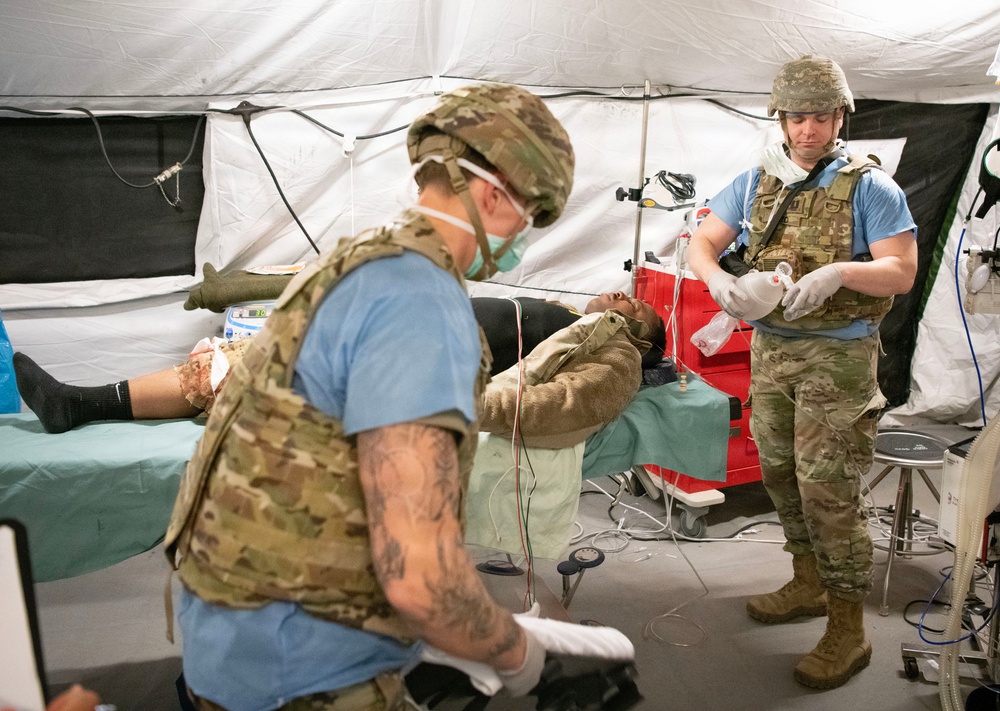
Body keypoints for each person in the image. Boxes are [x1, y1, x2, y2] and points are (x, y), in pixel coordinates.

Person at [158, 82, 576, 711]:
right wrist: (518, 653)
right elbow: (422, 578)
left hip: (231, 641)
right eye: (532, 216)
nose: (525, 236)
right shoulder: (420, 304)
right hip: (302, 674)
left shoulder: (357, 262)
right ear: (494, 194)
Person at [686, 56, 917, 690]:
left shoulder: (871, 188)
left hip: (837, 357)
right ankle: (808, 582)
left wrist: (841, 271)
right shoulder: (759, 180)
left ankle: (849, 628)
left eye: (820, 116)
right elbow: (702, 241)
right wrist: (720, 282)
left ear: (840, 117)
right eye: (797, 116)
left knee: (830, 491)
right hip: (773, 352)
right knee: (779, 473)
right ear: (780, 119)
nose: (808, 129)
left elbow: (900, 271)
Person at [12, 293, 665, 434]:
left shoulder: (619, 357)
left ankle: (83, 404)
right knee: (263, 350)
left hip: (423, 358)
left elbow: (561, 406)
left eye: (631, 303)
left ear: (642, 334)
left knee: (263, 364)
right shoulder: (584, 324)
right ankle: (85, 400)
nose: (616, 294)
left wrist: (460, 404)